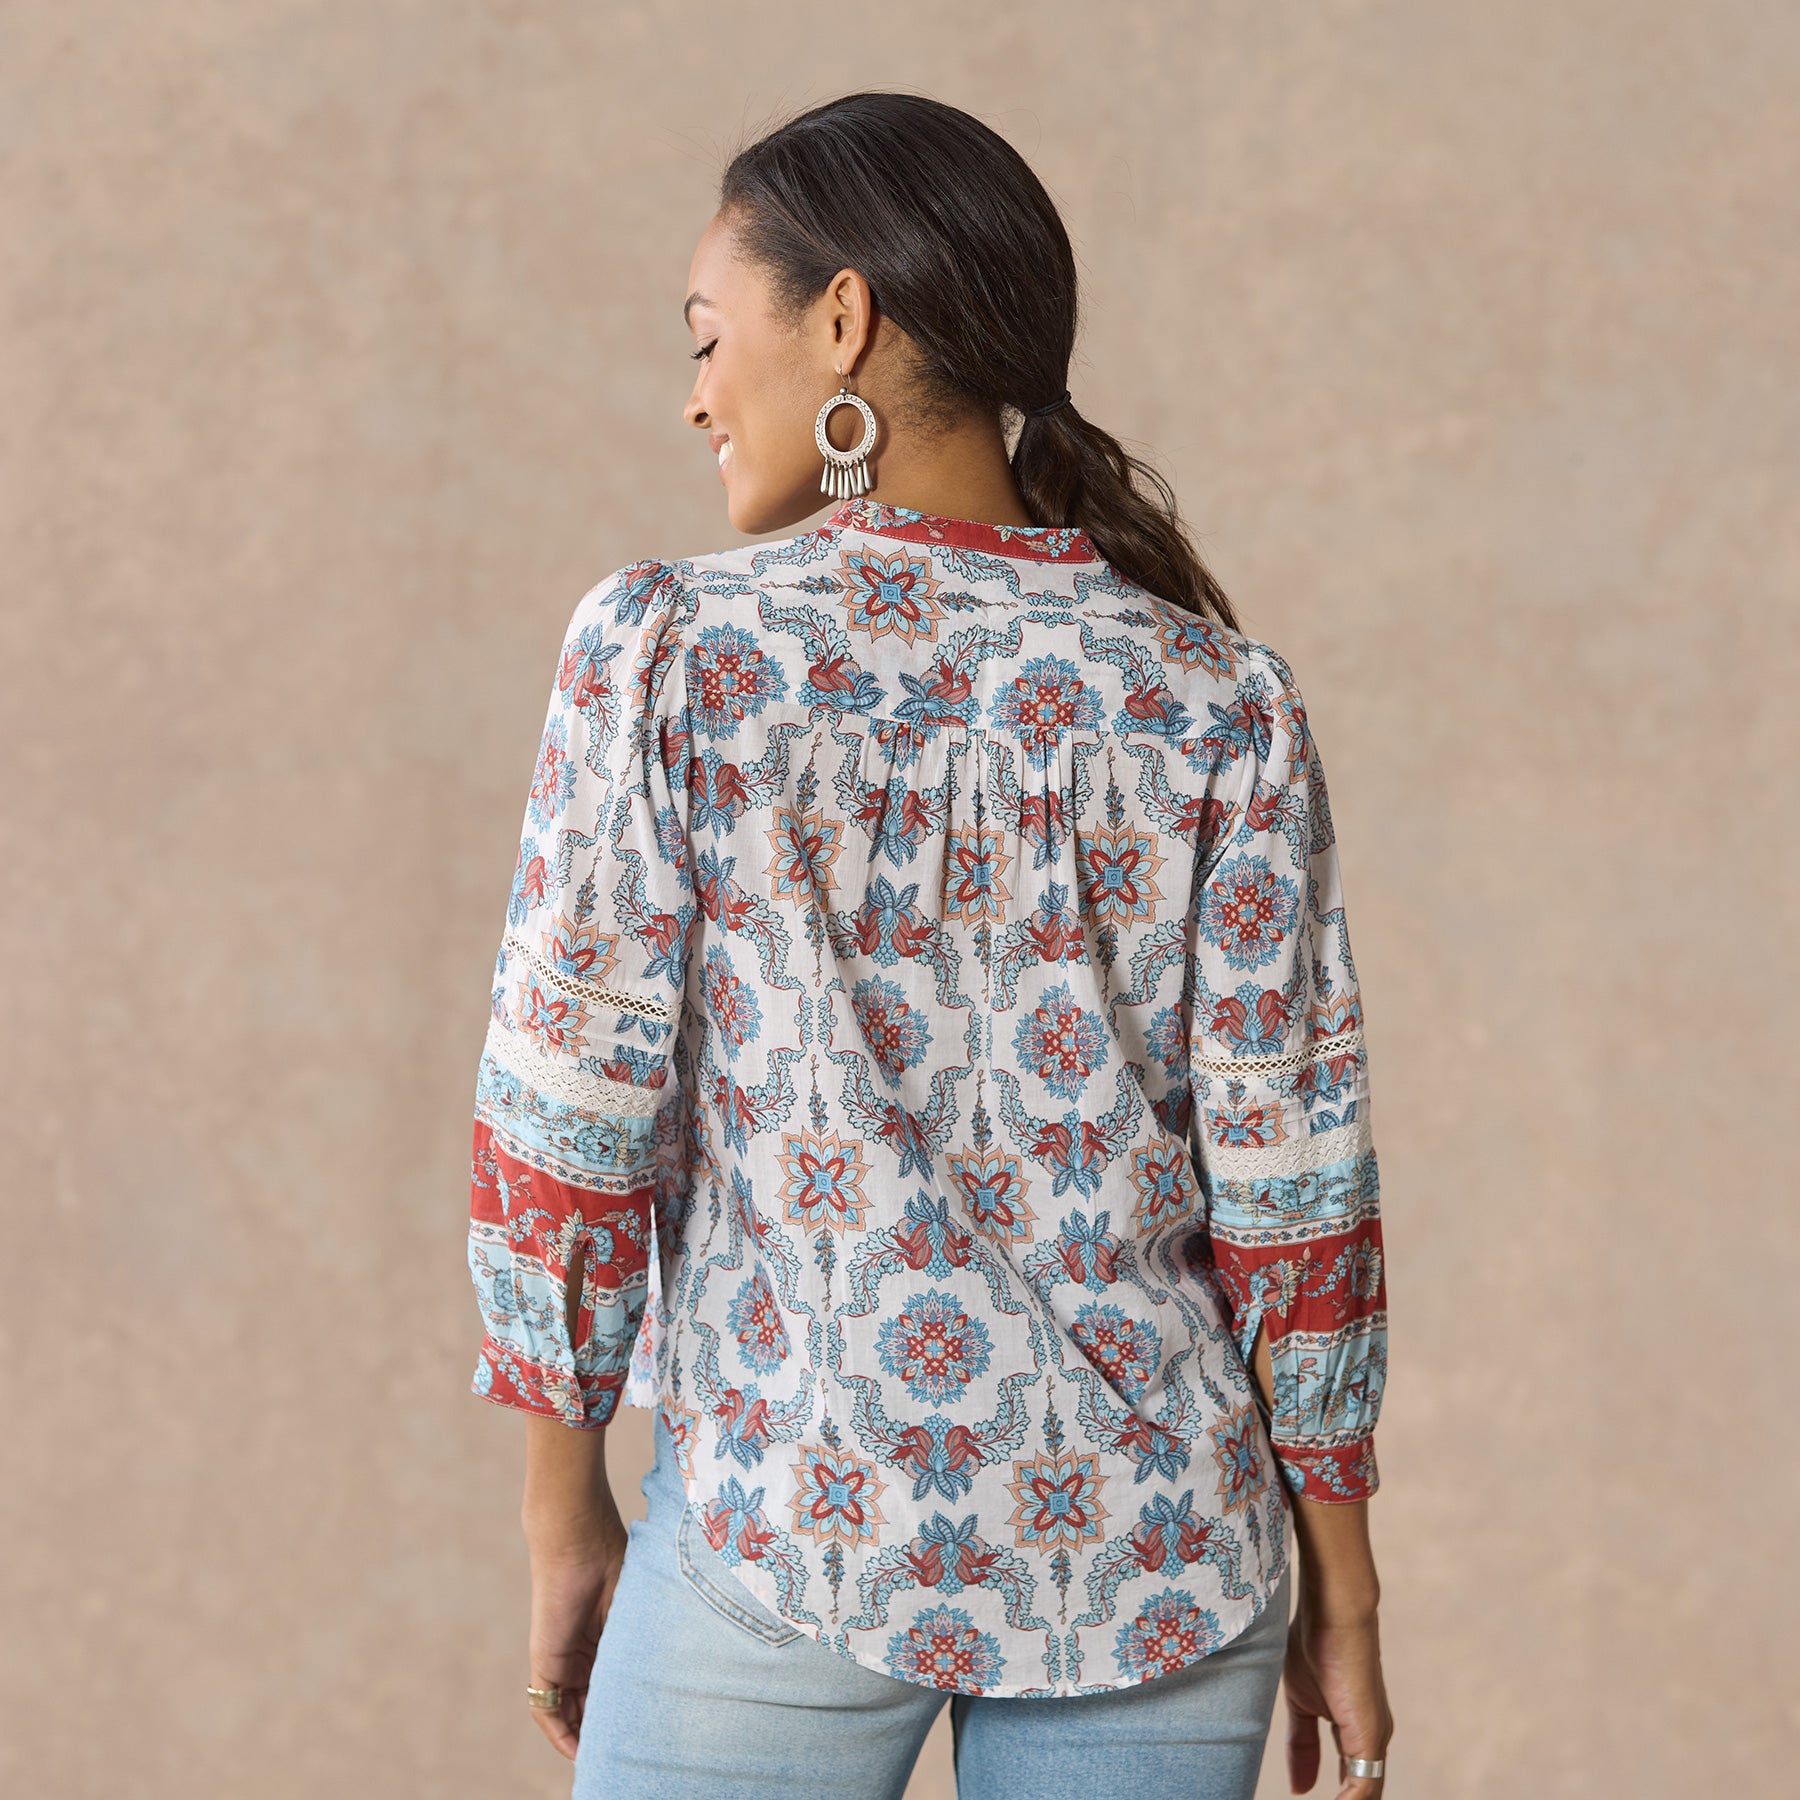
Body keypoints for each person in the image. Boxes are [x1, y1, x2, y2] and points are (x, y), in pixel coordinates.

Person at [465, 90, 1394, 1800]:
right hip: (1167, 1551)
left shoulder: (672, 654)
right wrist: (1344, 1580)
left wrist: (563, 1512)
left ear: (843, 320)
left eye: (707, 338)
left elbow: (568, 1116)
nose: (694, 394)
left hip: (790, 1518)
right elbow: (1294, 1178)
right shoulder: (1219, 700)